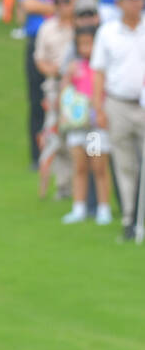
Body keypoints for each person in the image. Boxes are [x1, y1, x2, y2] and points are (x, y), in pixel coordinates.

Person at [18, 0, 92, 167]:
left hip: (74, 41)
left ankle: (75, 155)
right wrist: (62, 5)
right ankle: (37, 156)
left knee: (79, 97)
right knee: (38, 98)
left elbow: (82, 6)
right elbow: (26, 5)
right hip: (39, 42)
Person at [91, 0, 145, 241]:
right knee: (125, 164)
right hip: (118, 104)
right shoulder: (107, 32)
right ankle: (129, 218)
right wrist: (98, 107)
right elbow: (98, 72)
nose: (139, 3)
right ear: (120, 3)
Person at [59, 22, 115, 226]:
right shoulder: (76, 67)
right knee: (80, 167)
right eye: (81, 44)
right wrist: (67, 77)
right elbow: (65, 93)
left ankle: (103, 208)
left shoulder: (102, 68)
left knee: (98, 167)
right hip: (77, 125)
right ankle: (79, 207)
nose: (86, 48)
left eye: (89, 43)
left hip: (95, 126)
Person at [33, 0, 80, 199]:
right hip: (54, 91)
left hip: (83, 92)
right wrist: (60, 73)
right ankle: (63, 187)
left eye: (67, 0)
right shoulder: (47, 28)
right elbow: (40, 61)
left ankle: (88, 187)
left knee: (87, 139)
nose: (62, 5)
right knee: (55, 138)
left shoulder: (85, 27)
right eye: (58, 0)